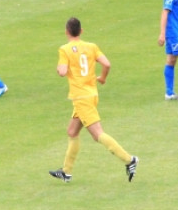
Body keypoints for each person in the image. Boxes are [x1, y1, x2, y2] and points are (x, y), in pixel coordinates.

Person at [49, 17, 138, 184]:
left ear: (67, 32)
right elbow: (107, 64)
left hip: (81, 97)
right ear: (81, 31)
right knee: (72, 132)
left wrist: (60, 68)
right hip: (91, 95)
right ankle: (66, 172)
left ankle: (129, 160)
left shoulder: (64, 49)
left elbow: (62, 72)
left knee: (98, 134)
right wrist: (102, 78)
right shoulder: (91, 47)